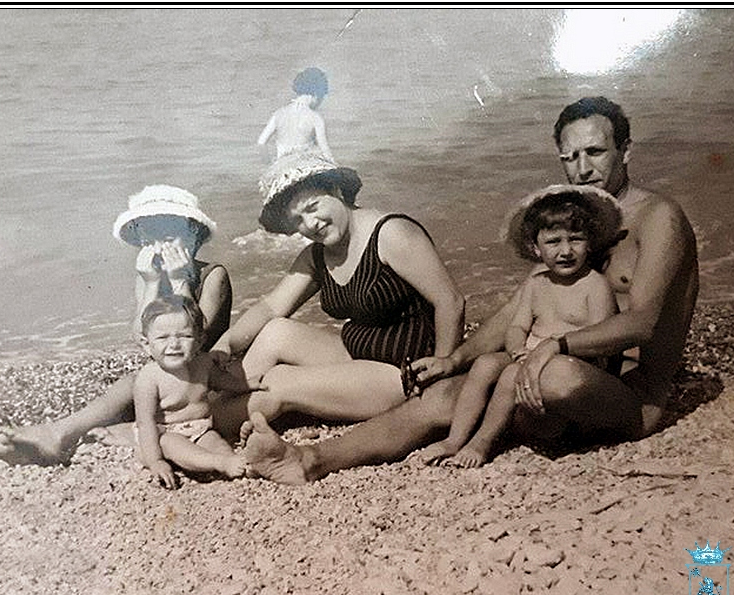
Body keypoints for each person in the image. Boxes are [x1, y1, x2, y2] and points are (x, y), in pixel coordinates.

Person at [242, 96, 699, 484]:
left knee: (550, 375)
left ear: (626, 149)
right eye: (570, 157)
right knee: (440, 395)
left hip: (627, 395)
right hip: (550, 370)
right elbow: (520, 308)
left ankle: (494, 423)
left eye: (596, 152)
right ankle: (310, 460)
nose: (582, 169)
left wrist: (552, 347)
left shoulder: (658, 217)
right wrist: (453, 359)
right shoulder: (577, 223)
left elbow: (642, 323)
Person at [210, 151, 465, 433]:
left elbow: (449, 301)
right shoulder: (317, 255)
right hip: (354, 356)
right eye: (297, 220)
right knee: (275, 331)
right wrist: (226, 344)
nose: (310, 224)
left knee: (281, 382)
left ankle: (201, 425)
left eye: (313, 207)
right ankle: (200, 402)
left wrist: (443, 373)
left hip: (402, 373)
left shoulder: (391, 233)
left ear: (335, 190)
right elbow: (270, 307)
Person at [0, 185, 232, 466]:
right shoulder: (149, 275)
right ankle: (58, 435)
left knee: (134, 384)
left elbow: (198, 338)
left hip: (203, 380)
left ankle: (65, 436)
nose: (162, 241)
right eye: (153, 233)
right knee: (129, 385)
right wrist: (152, 282)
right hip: (165, 381)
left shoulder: (213, 275)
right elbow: (143, 340)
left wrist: (180, 279)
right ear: (142, 239)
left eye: (172, 230)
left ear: (194, 235)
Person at [417, 185, 620, 469]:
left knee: (513, 374)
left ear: (591, 243)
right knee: (486, 364)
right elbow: (517, 327)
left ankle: (483, 442)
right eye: (553, 242)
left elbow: (601, 343)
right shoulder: (537, 284)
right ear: (536, 248)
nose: (565, 251)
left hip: (570, 369)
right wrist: (517, 351)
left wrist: (540, 359)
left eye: (576, 239)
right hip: (529, 356)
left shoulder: (594, 286)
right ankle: (455, 438)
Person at [133, 295, 249, 489]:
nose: (174, 344)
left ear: (199, 340)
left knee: (217, 443)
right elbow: (146, 424)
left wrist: (245, 386)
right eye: (162, 337)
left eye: (184, 336)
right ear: (147, 344)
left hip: (200, 428)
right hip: (160, 434)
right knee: (173, 445)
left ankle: (231, 461)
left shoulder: (203, 364)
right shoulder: (148, 379)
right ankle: (217, 463)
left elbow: (222, 381)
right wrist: (155, 461)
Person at [258, 67, 334, 161]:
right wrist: (335, 166)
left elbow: (261, 142)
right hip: (305, 164)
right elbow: (325, 150)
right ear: (316, 95)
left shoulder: (278, 114)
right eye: (322, 97)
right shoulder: (315, 118)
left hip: (284, 164)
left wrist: (268, 162)